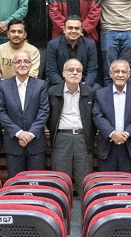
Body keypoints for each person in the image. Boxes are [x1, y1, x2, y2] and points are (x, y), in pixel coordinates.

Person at [0, 51, 50, 177]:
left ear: (31, 65)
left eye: (26, 61)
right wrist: (19, 133)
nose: (22, 64)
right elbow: (1, 111)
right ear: (13, 65)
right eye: (18, 61)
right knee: (16, 182)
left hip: (35, 143)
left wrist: (30, 134)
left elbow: (44, 111)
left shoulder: (40, 85)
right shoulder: (3, 86)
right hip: (13, 143)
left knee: (36, 182)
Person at [47, 59, 96, 192]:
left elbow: (94, 118)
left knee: (84, 182)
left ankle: (84, 206)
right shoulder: (53, 92)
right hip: (62, 138)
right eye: (71, 70)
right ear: (63, 73)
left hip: (82, 139)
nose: (74, 73)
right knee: (61, 182)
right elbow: (48, 117)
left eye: (78, 70)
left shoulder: (90, 92)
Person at [93, 60, 131, 173]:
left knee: (127, 181)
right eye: (116, 71)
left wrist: (126, 134)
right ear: (111, 74)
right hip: (108, 145)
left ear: (128, 74)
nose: (120, 75)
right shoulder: (100, 93)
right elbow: (97, 115)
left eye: (123, 72)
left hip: (129, 145)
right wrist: (112, 133)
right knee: (107, 181)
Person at [44, 17, 99, 87]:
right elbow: (52, 72)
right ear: (64, 30)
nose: (73, 31)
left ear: (81, 30)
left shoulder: (90, 45)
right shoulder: (53, 45)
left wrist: (83, 87)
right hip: (59, 84)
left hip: (83, 83)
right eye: (70, 28)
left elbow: (92, 71)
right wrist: (65, 87)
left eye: (77, 28)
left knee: (98, 89)